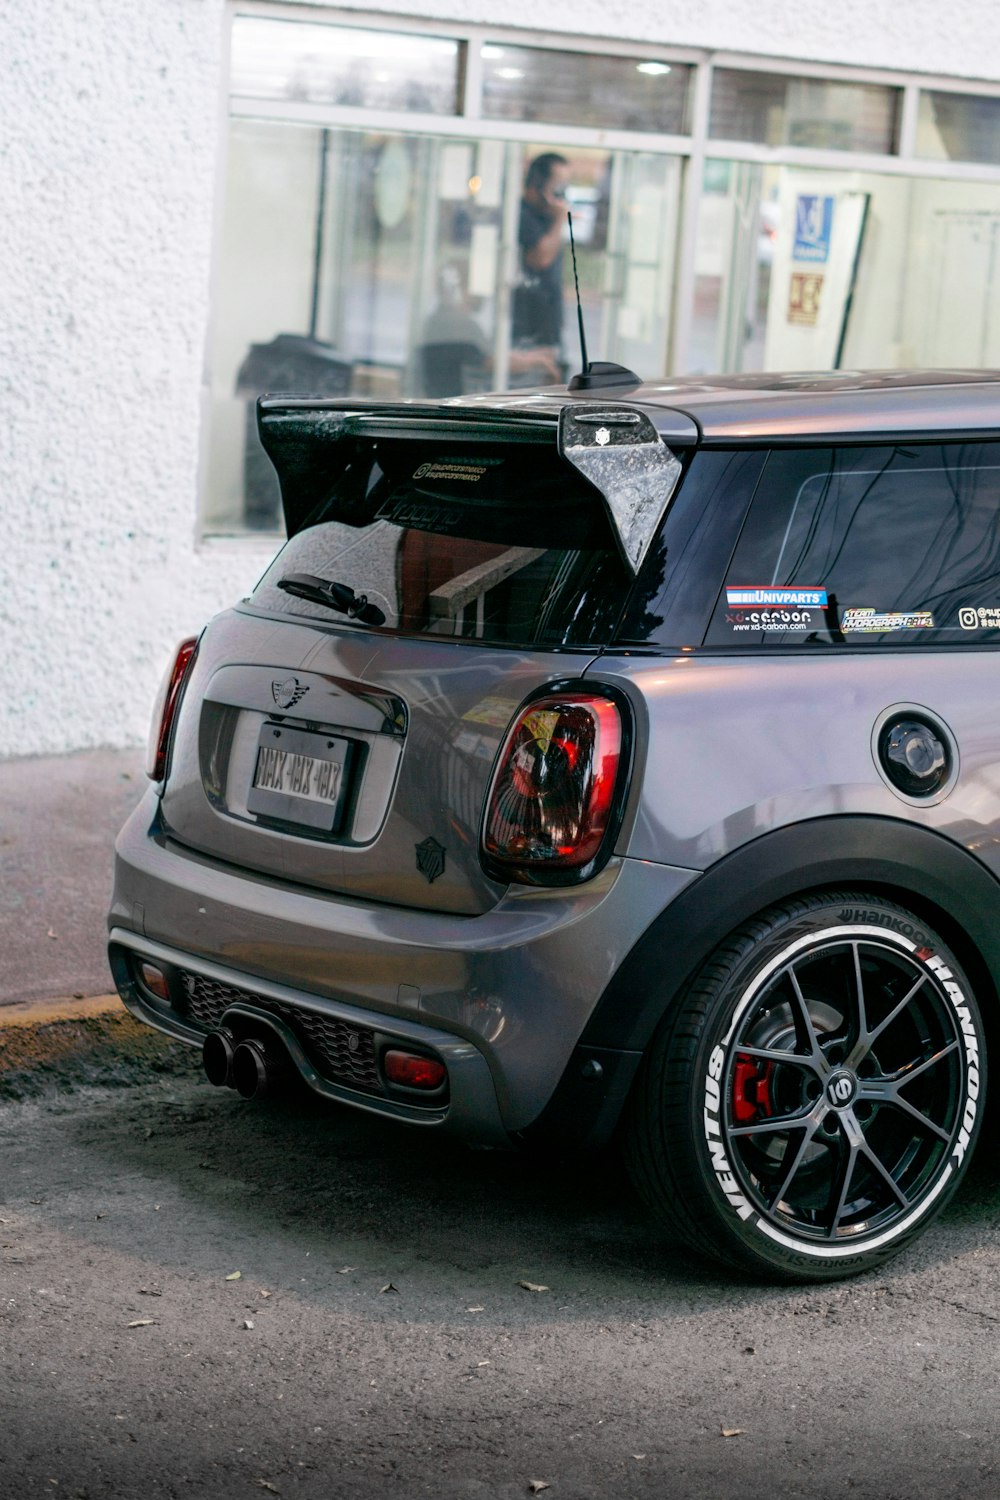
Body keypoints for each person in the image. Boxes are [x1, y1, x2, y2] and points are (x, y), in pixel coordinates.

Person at [512, 152, 571, 362]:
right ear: (538, 182)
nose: (561, 193)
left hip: (549, 323)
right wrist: (559, 221)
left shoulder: (548, 216)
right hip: (526, 326)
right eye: (557, 185)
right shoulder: (520, 215)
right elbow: (540, 259)